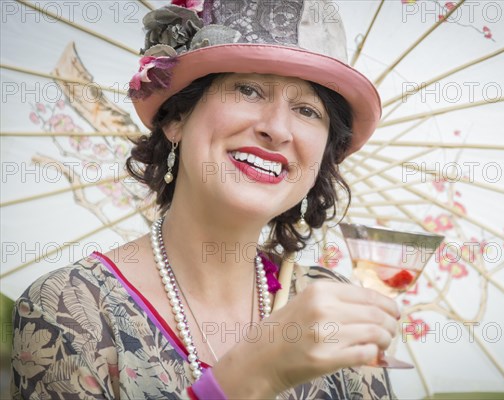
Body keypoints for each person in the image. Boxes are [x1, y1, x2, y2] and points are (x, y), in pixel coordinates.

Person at [11, 1, 399, 398]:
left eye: (306, 110)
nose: (278, 129)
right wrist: (252, 374)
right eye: (248, 90)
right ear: (177, 117)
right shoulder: (72, 308)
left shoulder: (332, 306)